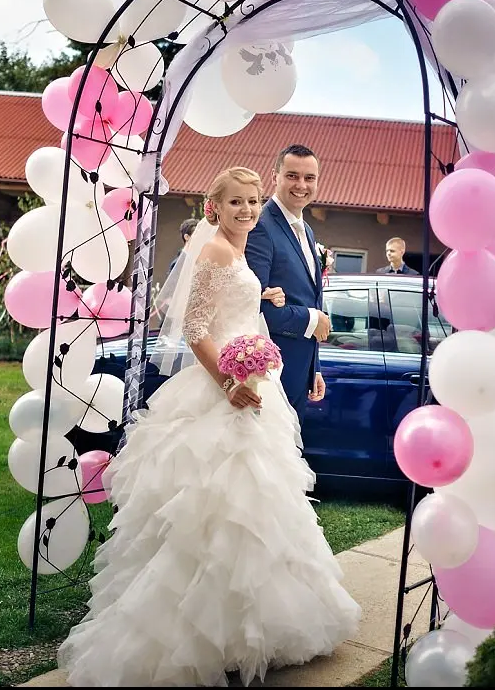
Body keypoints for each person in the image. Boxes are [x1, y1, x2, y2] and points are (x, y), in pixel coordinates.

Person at [57, 167, 361, 687]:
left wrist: (263, 302)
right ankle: (196, 634)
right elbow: (196, 329)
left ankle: (246, 628)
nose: (248, 210)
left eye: (253, 201)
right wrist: (228, 383)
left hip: (252, 383)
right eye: (236, 202)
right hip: (222, 389)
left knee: (257, 508)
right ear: (213, 207)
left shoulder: (237, 251)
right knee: (216, 511)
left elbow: (230, 309)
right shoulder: (217, 250)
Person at [245, 144, 329, 425]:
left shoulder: (307, 229)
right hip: (268, 372)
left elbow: (309, 296)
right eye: (292, 176)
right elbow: (252, 305)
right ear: (275, 176)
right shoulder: (260, 226)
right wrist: (311, 318)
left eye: (309, 178)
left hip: (299, 371)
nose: (301, 185)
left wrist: (314, 368)